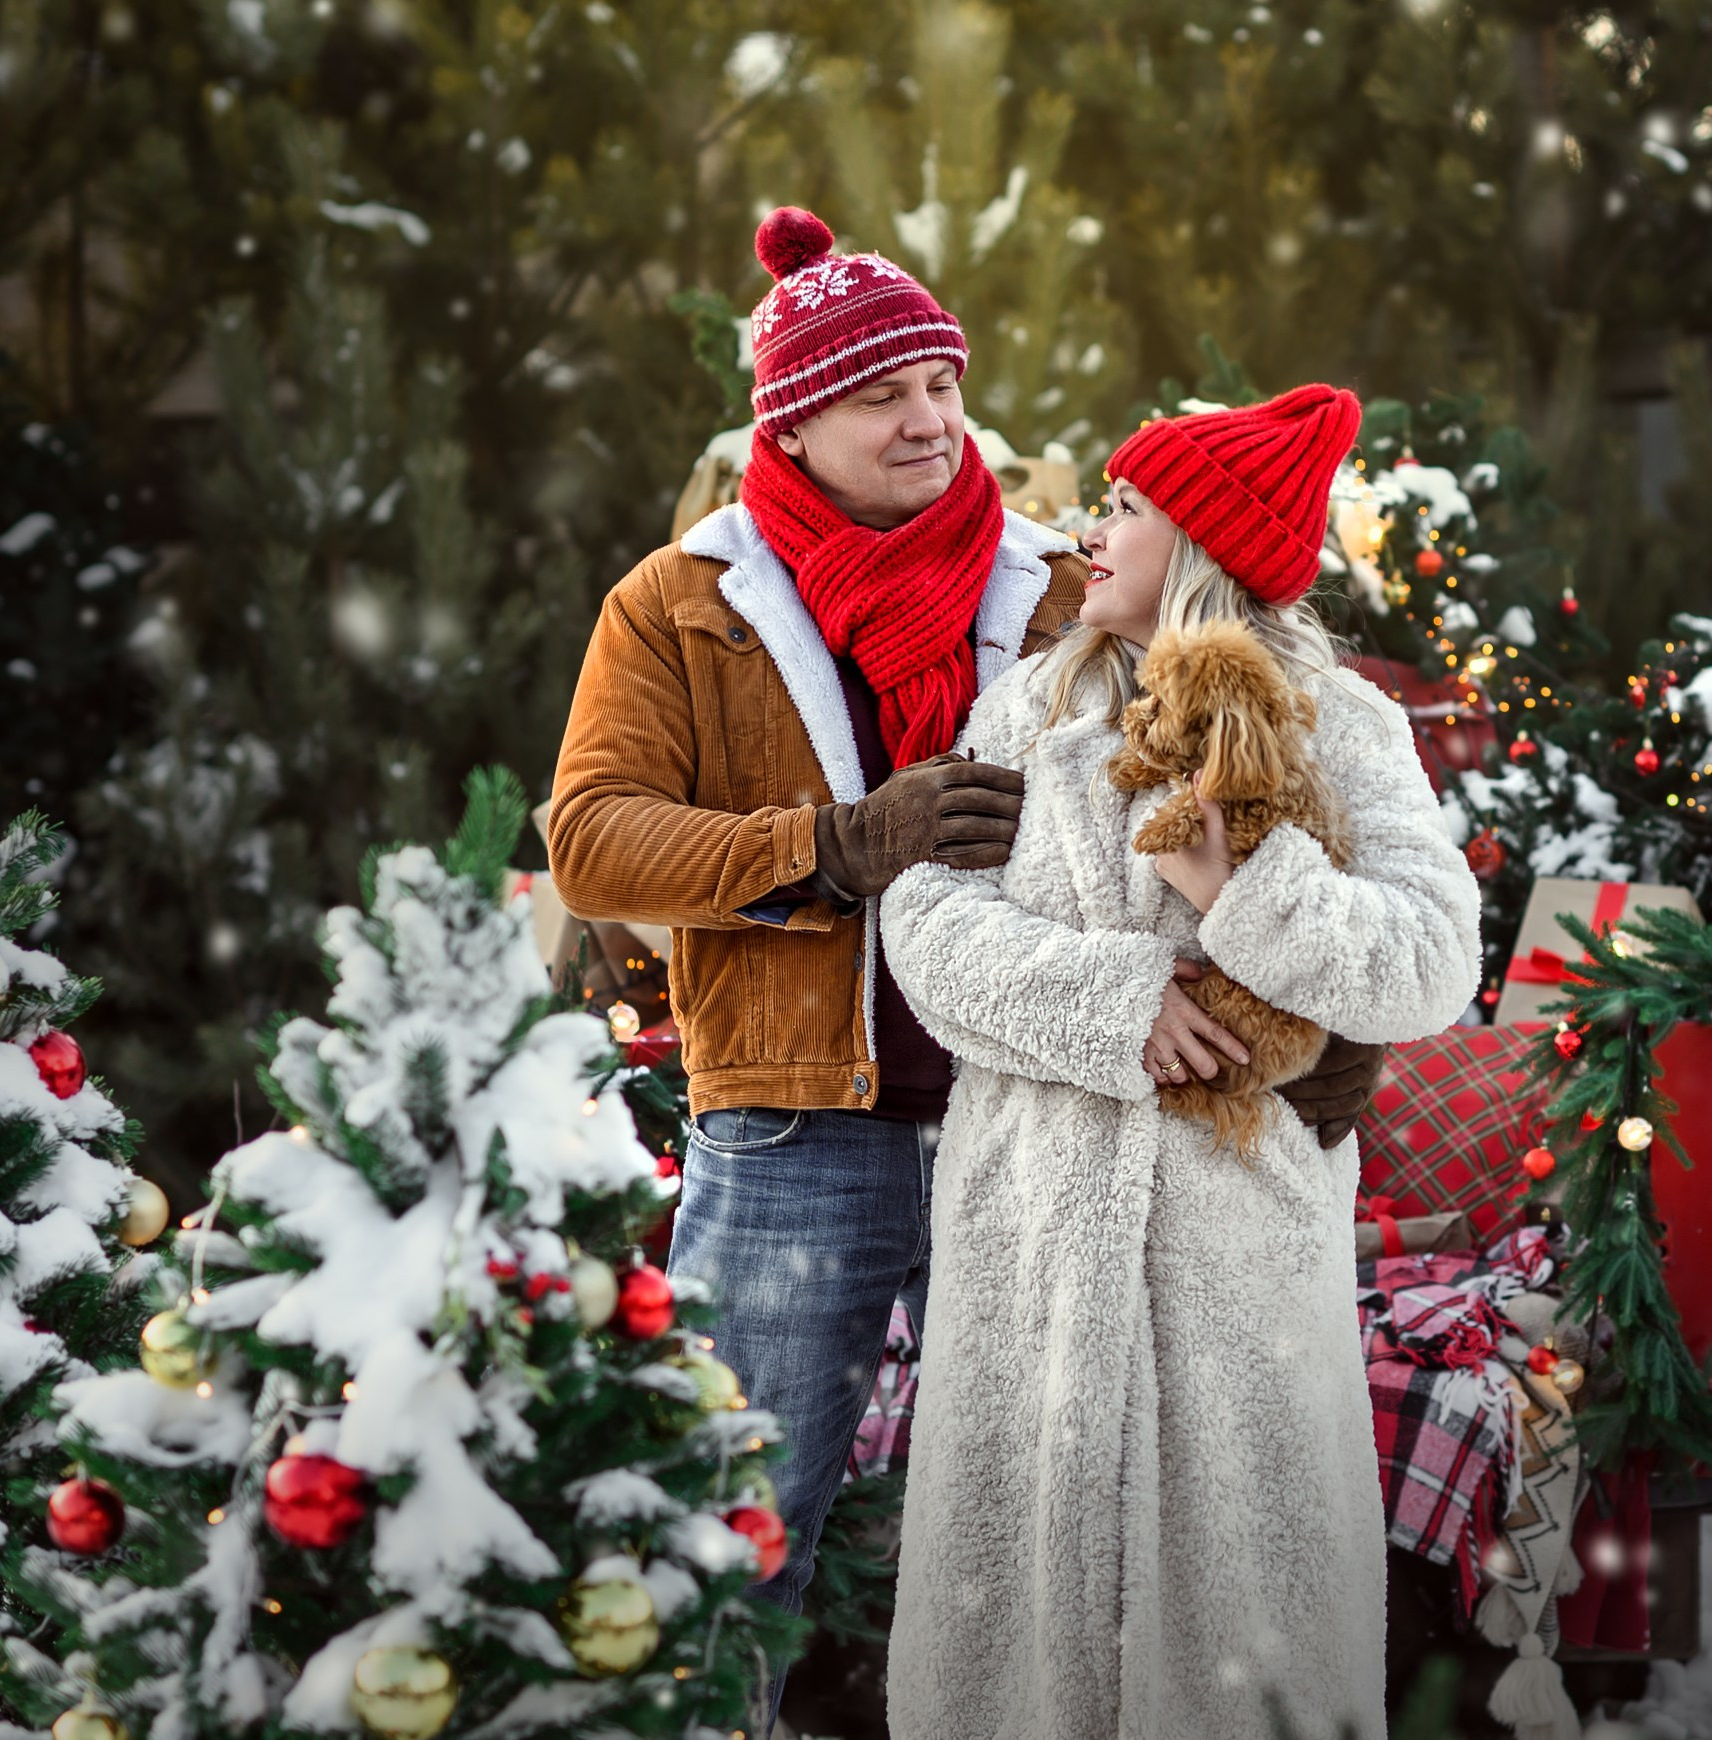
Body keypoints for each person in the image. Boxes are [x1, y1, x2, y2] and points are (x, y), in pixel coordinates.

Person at [547, 212, 1389, 1724]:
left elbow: (1264, 754)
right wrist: (834, 844)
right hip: (800, 1126)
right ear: (790, 422)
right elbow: (595, 839)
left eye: (942, 382)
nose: (932, 420)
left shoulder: (1069, 589)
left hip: (1050, 1132)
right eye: (885, 396)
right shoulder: (681, 604)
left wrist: (1324, 1004)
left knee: (1046, 1547)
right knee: (729, 1533)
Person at [879, 385, 1483, 1740]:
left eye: (1129, 508)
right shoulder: (1027, 707)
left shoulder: (1339, 724)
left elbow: (1436, 956)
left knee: (1233, 1645)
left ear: (1202, 542)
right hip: (1029, 1237)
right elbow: (923, 920)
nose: (1094, 530)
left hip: (1235, 1260)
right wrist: (1117, 1003)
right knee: (1011, 1647)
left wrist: (1250, 887)